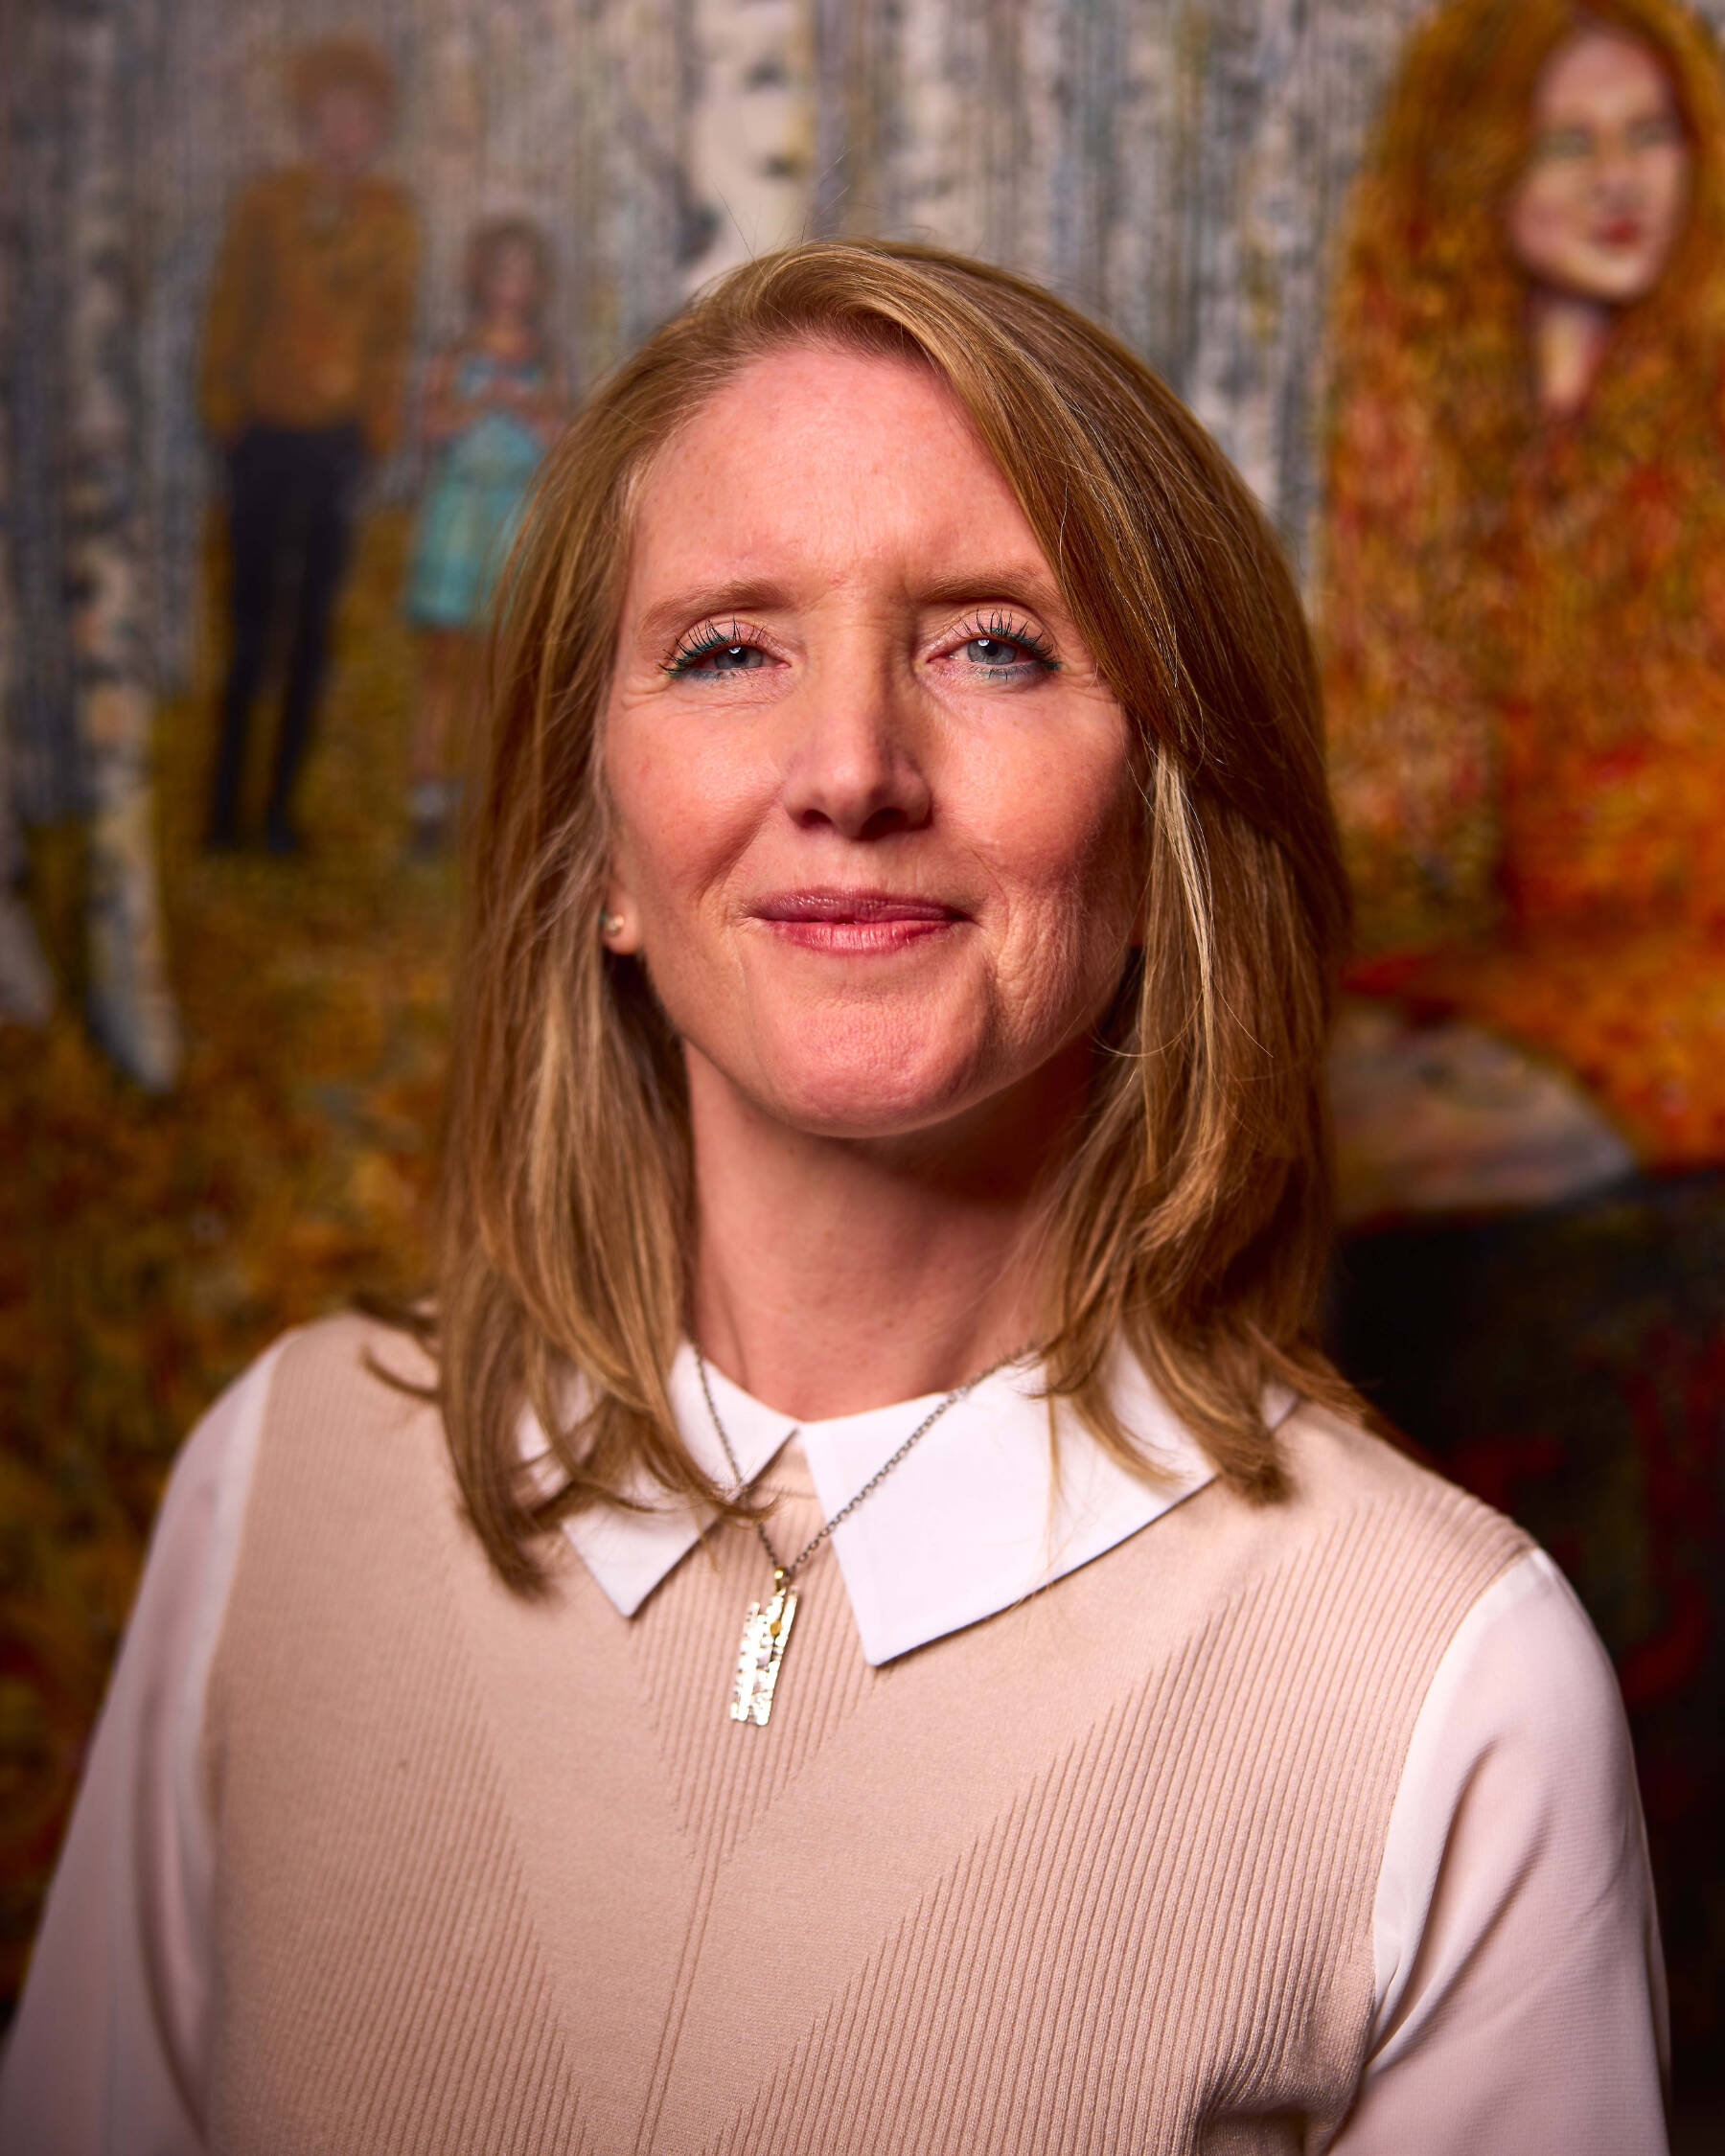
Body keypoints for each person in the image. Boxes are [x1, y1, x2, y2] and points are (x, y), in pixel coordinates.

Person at [0, 242, 1667, 2151]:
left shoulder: (1444, 1684)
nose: (853, 768)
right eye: (729, 646)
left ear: (1165, 816)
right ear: (599, 840)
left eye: (996, 643)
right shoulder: (277, 1493)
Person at [1322, 0, 1725, 1181]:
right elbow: (1398, 816)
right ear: (1476, 168)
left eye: (1651, 135)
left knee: (1356, 1156)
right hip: (1495, 982)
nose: (1620, 182)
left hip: (1683, 987)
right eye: (1566, 143)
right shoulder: (1433, 450)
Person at [199, 38, 420, 855]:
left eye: (361, 120)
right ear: (310, 121)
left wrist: (377, 427)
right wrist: (224, 405)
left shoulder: (391, 218)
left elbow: (395, 331)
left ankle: (280, 812)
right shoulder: (269, 205)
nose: (345, 133)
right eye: (332, 117)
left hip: (336, 444)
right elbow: (232, 306)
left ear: (377, 130)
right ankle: (224, 810)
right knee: (250, 625)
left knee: (312, 629)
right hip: (260, 435)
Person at [403, 217, 564, 859]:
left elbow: (564, 437)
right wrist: (480, 402)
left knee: (502, 664)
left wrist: (524, 406)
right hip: (459, 516)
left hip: (513, 519)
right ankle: (427, 797)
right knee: (444, 662)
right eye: (500, 271)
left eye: (523, 273)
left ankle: (489, 795)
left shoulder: (546, 360)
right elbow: (430, 427)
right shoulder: (456, 352)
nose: (511, 285)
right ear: (480, 278)